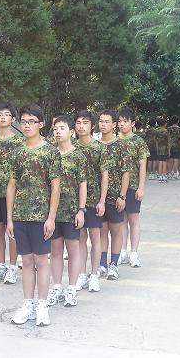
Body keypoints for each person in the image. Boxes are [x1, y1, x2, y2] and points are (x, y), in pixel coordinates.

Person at [7, 104, 62, 327]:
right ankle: (27, 304)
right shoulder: (17, 152)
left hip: (41, 217)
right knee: (27, 261)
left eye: (31, 122)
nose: (27, 125)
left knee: (41, 260)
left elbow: (56, 187)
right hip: (20, 215)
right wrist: (10, 219)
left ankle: (42, 305)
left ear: (41, 124)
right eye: (24, 122)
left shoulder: (50, 152)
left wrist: (51, 218)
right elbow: (12, 185)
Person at [47, 115, 87, 308]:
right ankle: (56, 287)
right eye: (55, 129)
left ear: (71, 131)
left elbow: (83, 185)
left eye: (61, 128)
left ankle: (71, 289)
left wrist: (81, 210)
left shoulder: (78, 155)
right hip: (52, 213)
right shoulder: (49, 153)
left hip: (71, 211)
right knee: (55, 251)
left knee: (73, 251)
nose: (57, 132)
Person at [0, 103, 23, 285]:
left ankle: (13, 267)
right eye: (0, 114)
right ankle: (1, 265)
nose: (3, 117)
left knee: (12, 231)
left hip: (13, 195)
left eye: (7, 114)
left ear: (13, 119)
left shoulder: (19, 142)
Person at [74, 110, 107, 293]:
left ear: (91, 126)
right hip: (75, 201)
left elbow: (105, 176)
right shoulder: (71, 146)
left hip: (94, 200)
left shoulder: (99, 148)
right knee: (80, 238)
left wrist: (102, 201)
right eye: (78, 123)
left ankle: (94, 275)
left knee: (95, 237)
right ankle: (81, 274)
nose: (81, 126)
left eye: (85, 123)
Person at [98, 109, 130, 280]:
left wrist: (122, 196)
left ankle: (114, 265)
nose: (103, 124)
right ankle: (102, 263)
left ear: (114, 124)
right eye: (101, 121)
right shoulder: (95, 145)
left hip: (115, 196)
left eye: (106, 121)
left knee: (116, 230)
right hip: (97, 197)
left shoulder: (120, 146)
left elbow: (126, 172)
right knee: (102, 231)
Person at [117, 107, 149, 268]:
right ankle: (122, 251)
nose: (122, 124)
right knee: (121, 221)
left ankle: (134, 253)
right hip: (117, 188)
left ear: (133, 123)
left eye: (125, 121)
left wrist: (141, 187)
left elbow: (142, 165)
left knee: (133, 220)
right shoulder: (114, 141)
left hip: (133, 186)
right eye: (119, 121)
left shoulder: (138, 142)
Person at [153, 116, 169, 183]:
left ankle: (160, 177)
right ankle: (164, 176)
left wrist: (157, 148)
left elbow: (155, 140)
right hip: (165, 149)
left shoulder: (156, 131)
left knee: (160, 163)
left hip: (158, 148)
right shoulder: (166, 131)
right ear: (164, 124)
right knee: (164, 163)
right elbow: (168, 141)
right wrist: (169, 150)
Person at [167, 115, 180, 180]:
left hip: (170, 146)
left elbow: (168, 138)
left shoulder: (168, 129)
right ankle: (175, 174)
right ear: (178, 121)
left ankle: (170, 174)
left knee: (170, 161)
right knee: (176, 161)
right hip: (177, 146)